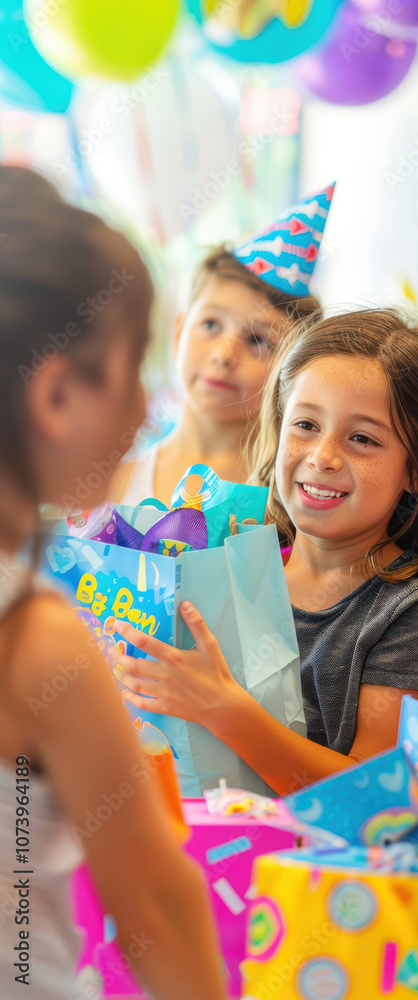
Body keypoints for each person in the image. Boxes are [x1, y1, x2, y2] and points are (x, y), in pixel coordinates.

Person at [0, 166, 226, 1000]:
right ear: (56, 393)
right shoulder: (34, 642)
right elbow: (158, 909)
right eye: (133, 372)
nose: (142, 410)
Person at [111, 309, 418, 796]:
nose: (323, 456)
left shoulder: (415, 607)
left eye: (362, 438)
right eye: (306, 425)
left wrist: (226, 711)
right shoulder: (224, 563)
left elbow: (370, 794)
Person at [110, 186, 331, 507]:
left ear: (293, 371)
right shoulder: (115, 483)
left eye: (259, 340)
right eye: (211, 325)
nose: (224, 355)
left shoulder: (292, 499)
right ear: (178, 332)